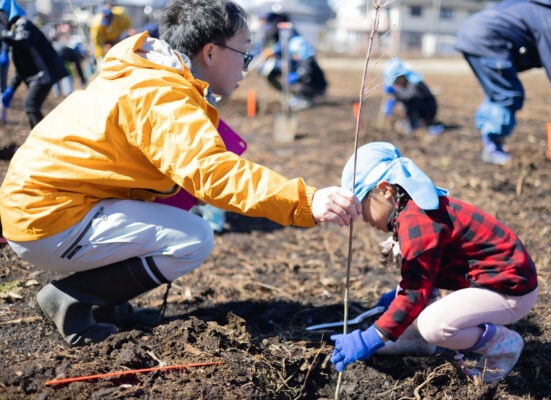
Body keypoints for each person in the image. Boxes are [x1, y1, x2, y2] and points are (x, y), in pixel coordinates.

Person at [0, 0, 361, 347]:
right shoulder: (164, 97)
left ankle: (108, 303)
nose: (246, 68)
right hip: (48, 218)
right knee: (193, 238)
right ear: (211, 52)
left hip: (43, 205)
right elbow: (214, 174)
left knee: (170, 215)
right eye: (244, 54)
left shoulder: (146, 74)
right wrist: (305, 201)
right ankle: (69, 300)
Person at [329, 142, 538, 383]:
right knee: (405, 270)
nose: (362, 218)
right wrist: (399, 296)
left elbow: (415, 293)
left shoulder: (418, 220)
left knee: (436, 326)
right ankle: (414, 338)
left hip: (510, 291)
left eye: (362, 206)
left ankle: (502, 345)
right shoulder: (412, 210)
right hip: (490, 283)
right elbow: (422, 273)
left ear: (385, 190)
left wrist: (370, 338)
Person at [455, 0, 551, 165]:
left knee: (498, 92)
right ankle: (492, 148)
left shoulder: (550, 12)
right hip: (488, 40)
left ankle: (490, 141)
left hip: (473, 32)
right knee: (509, 95)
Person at [0, 0, 69, 128]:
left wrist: (3, 34)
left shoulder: (23, 24)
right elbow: (21, 68)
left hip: (44, 73)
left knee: (30, 105)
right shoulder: (14, 32)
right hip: (38, 75)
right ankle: (39, 139)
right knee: (31, 106)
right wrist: (11, 89)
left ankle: (42, 139)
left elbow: (23, 40)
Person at [257, 12, 327, 110]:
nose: (294, 56)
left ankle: (306, 100)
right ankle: (296, 98)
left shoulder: (307, 61)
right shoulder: (301, 58)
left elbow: (304, 73)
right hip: (312, 85)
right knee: (290, 82)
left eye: (295, 53)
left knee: (296, 85)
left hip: (316, 87)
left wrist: (290, 79)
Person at [381, 58, 444, 136]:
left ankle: (417, 125)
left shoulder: (415, 83)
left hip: (428, 110)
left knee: (409, 103)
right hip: (419, 108)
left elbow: (409, 96)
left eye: (395, 81)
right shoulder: (404, 83)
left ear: (401, 76)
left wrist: (395, 96)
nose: (395, 84)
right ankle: (413, 123)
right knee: (405, 104)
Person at [52, 32, 87, 97]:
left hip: (53, 59)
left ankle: (57, 94)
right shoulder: (75, 54)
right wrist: (82, 79)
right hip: (60, 59)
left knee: (56, 75)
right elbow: (78, 68)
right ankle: (68, 93)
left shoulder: (70, 50)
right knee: (67, 74)